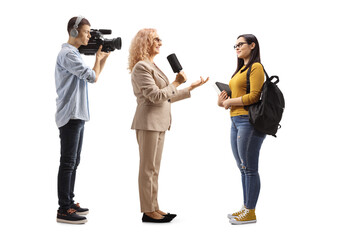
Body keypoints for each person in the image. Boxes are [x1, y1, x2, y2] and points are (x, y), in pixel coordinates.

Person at [128, 28, 209, 223]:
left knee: (154, 169)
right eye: (156, 39)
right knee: (147, 169)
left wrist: (189, 88)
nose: (160, 42)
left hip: (160, 123)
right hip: (148, 123)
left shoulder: (152, 65)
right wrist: (175, 81)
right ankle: (148, 211)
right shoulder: (141, 67)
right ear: (145, 42)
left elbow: (167, 97)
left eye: (160, 39)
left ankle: (154, 207)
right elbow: (155, 96)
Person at [55, 16, 110, 224]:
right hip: (70, 114)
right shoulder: (68, 54)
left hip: (76, 114)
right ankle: (63, 208)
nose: (89, 36)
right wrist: (98, 59)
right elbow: (92, 77)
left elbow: (93, 77)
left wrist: (102, 58)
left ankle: (69, 202)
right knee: (68, 162)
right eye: (87, 32)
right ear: (75, 32)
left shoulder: (73, 54)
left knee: (73, 161)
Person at [217, 34, 266, 225]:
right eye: (235, 45)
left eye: (241, 44)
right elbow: (234, 98)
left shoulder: (256, 67)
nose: (237, 48)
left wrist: (230, 101)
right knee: (243, 167)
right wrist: (222, 101)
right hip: (235, 121)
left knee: (250, 168)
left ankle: (251, 212)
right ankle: (245, 208)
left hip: (249, 122)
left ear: (252, 45)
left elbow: (254, 96)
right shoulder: (239, 71)